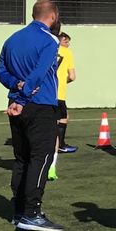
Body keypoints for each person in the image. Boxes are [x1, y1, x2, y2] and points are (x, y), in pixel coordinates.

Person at [0, 0, 64, 231]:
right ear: (52, 16)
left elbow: (0, 71)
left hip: (16, 103)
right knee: (41, 157)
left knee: (21, 157)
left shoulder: (12, 39)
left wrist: (15, 89)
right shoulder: (49, 40)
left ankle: (19, 211)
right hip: (39, 105)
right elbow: (38, 74)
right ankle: (32, 213)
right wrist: (23, 97)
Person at [47, 32, 77, 182]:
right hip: (59, 93)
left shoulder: (47, 48)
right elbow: (72, 76)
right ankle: (61, 145)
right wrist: (63, 81)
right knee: (62, 119)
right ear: (61, 41)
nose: (68, 44)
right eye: (67, 41)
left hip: (45, 93)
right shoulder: (66, 53)